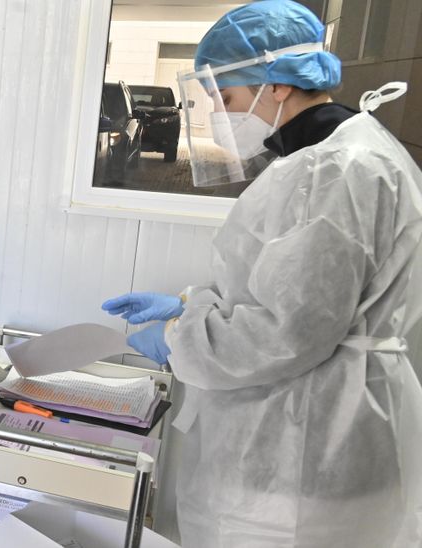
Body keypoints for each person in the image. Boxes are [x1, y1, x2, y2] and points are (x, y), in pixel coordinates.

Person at [101, 1, 422, 546]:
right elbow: (292, 292)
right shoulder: (330, 156)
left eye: (226, 99)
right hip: (314, 423)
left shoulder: (334, 171)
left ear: (277, 85)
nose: (221, 117)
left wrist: (182, 340)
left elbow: (288, 331)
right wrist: (190, 306)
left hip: (315, 439)